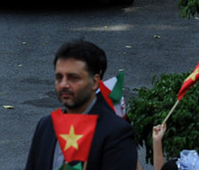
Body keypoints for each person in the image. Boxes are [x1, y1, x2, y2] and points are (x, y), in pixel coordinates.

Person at [25, 40, 137, 170]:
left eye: (73, 77)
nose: (64, 85)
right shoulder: (46, 126)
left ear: (95, 82)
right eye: (59, 77)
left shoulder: (116, 132)